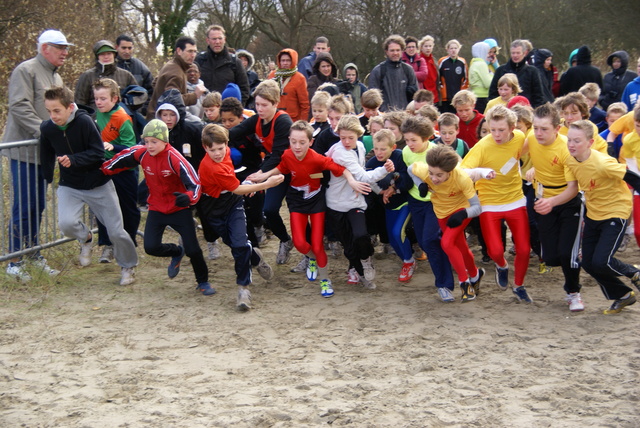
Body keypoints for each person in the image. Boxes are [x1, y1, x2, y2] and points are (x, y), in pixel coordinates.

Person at [250, 120, 366, 296]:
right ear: (289, 140)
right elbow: (282, 167)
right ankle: (311, 258)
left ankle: (325, 280)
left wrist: (351, 180)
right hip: (296, 200)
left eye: (302, 142)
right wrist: (263, 176)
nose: (297, 146)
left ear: (311, 142)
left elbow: (340, 169)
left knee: (318, 245)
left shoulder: (317, 157)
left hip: (316, 201)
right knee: (299, 242)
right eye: (293, 141)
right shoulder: (287, 155)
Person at [103, 119, 214, 295]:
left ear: (165, 141)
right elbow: (120, 159)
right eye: (146, 141)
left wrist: (187, 198)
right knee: (150, 247)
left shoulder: (175, 158)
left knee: (193, 249)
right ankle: (177, 251)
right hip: (156, 207)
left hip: (178, 208)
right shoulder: (142, 153)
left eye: (154, 142)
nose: (149, 145)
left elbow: (195, 184)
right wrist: (102, 170)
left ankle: (203, 282)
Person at [41, 86, 138, 285]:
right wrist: (47, 177)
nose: (53, 116)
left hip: (98, 183)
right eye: (49, 111)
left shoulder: (84, 122)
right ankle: (86, 238)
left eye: (57, 111)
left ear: (69, 107)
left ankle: (128, 266)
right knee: (66, 224)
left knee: (115, 230)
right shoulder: (48, 128)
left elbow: (98, 153)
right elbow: (46, 153)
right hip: (70, 184)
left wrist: (74, 159)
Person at [4, 29, 71, 280]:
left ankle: (33, 255)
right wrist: (44, 131)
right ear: (45, 48)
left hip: (44, 152)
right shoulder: (26, 70)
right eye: (60, 47)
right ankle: (15, 261)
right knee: (24, 205)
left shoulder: (57, 77)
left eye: (66, 48)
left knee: (38, 205)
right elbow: (19, 106)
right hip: (23, 151)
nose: (65, 52)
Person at [198, 124, 281, 310]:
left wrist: (246, 182)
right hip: (213, 208)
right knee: (235, 244)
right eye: (213, 150)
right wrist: (267, 183)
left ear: (227, 144)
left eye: (221, 148)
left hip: (232, 203)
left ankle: (243, 290)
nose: (218, 153)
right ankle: (255, 257)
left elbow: (235, 189)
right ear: (205, 148)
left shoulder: (226, 153)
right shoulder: (211, 167)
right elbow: (237, 188)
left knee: (239, 244)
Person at [565, 120, 640, 314]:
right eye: (569, 140)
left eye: (577, 141)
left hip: (616, 211)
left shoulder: (602, 163)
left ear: (590, 143)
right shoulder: (571, 159)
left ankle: (634, 273)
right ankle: (623, 295)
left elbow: (632, 177)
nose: (571, 145)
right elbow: (572, 188)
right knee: (589, 263)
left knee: (602, 261)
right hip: (593, 213)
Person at [460, 105, 533, 303]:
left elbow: (533, 145)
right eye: (493, 130)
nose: (497, 134)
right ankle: (501, 265)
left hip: (515, 199)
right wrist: (482, 172)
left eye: (501, 130)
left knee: (524, 249)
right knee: (495, 251)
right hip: (489, 202)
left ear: (512, 127)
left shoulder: (519, 137)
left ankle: (518, 286)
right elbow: (462, 171)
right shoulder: (483, 146)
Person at [410, 145, 491, 301]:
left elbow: (478, 207)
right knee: (460, 245)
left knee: (446, 243)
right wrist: (420, 183)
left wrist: (463, 214)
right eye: (431, 173)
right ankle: (475, 274)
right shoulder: (424, 170)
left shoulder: (461, 178)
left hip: (461, 211)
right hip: (441, 213)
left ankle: (464, 283)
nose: (433, 179)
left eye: (439, 175)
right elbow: (409, 169)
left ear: (450, 171)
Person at [228, 80, 295, 264]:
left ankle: (308, 254)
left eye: (264, 105)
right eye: (257, 104)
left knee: (297, 212)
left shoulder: (282, 121)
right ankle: (285, 240)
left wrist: (261, 175)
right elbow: (235, 131)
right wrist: (212, 134)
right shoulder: (257, 119)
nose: (260, 109)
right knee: (270, 210)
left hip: (291, 169)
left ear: (275, 103)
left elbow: (279, 154)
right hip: (274, 170)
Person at [526, 103, 584, 311]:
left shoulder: (566, 149)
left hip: (567, 203)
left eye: (544, 129)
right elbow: (514, 151)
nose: (538, 133)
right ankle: (575, 253)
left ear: (558, 129)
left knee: (567, 253)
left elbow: (572, 189)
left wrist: (550, 202)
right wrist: (531, 168)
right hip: (543, 199)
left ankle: (573, 292)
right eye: (535, 128)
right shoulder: (531, 138)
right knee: (550, 257)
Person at [326, 115, 393, 290]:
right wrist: (384, 170)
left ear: (359, 135)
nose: (347, 142)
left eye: (351, 138)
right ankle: (358, 271)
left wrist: (379, 190)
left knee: (361, 235)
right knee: (348, 246)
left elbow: (363, 176)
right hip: (336, 204)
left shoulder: (361, 147)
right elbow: (363, 176)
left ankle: (366, 260)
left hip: (355, 202)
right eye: (342, 138)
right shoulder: (340, 152)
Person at [400, 115, 455, 300]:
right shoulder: (406, 152)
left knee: (431, 239)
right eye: (406, 139)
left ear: (426, 138)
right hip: (416, 201)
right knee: (425, 243)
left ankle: (444, 284)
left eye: (413, 140)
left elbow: (454, 175)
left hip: (436, 201)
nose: (409, 144)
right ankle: (449, 262)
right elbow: (409, 173)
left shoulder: (437, 153)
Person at [92, 78, 140, 264]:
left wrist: (112, 146)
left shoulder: (122, 117)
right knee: (103, 207)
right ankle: (107, 245)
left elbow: (131, 147)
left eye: (103, 98)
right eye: (96, 98)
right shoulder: (96, 114)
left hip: (124, 170)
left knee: (127, 207)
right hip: (104, 168)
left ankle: (129, 242)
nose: (99, 102)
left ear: (115, 98)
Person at [365, 129, 415, 281]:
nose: (379, 153)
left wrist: (393, 186)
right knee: (392, 239)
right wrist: (382, 192)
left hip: (405, 201)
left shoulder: (399, 156)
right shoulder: (372, 162)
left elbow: (408, 179)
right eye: (376, 149)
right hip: (388, 204)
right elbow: (369, 181)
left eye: (383, 149)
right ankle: (407, 258)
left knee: (397, 232)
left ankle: (408, 262)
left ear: (392, 148)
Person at [147, 36, 206, 119]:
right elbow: (172, 100)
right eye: (189, 51)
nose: (193, 55)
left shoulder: (172, 65)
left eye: (195, 52)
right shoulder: (176, 72)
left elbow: (155, 83)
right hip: (162, 121)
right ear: (179, 51)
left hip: (158, 116)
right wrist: (195, 95)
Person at [75, 40, 137, 111]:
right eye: (102, 54)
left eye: (109, 53)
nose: (106, 57)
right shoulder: (87, 76)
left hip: (121, 118)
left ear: (114, 55)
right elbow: (80, 102)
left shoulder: (126, 75)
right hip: (94, 119)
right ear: (97, 56)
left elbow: (136, 98)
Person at [195, 25, 250, 105]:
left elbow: (244, 88)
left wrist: (237, 109)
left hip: (227, 111)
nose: (217, 42)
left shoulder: (235, 62)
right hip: (204, 110)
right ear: (207, 40)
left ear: (224, 39)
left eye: (220, 38)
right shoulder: (199, 61)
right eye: (214, 39)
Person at [488, 39, 545, 107]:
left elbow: (538, 95)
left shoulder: (533, 71)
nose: (515, 55)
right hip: (503, 111)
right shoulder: (500, 70)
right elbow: (493, 93)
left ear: (524, 53)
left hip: (526, 111)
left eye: (518, 53)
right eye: (513, 53)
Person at [369, 35, 418, 111]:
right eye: (392, 50)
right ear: (386, 52)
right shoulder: (378, 71)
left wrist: (412, 93)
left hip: (405, 115)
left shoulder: (408, 70)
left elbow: (417, 96)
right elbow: (372, 98)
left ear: (402, 51)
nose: (395, 53)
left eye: (398, 50)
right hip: (385, 116)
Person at [115, 34, 154, 114]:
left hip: (135, 112)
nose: (127, 51)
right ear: (116, 47)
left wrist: (144, 108)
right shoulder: (111, 67)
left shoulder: (141, 68)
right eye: (124, 48)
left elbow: (151, 91)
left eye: (129, 48)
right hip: (113, 112)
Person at [268, 48, 310, 121]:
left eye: (288, 60)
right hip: (274, 118)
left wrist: (302, 123)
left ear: (293, 61)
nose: (285, 63)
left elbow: (304, 105)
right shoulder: (272, 76)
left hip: (292, 120)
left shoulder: (299, 78)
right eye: (283, 60)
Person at [437, 39, 468, 113]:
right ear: (447, 49)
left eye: (455, 48)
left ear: (459, 49)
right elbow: (437, 77)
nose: (453, 50)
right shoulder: (442, 61)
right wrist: (441, 88)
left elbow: (466, 79)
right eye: (451, 48)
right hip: (445, 97)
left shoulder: (462, 62)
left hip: (458, 97)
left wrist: (462, 93)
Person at [468, 41, 493, 113]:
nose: (488, 55)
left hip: (475, 95)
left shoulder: (474, 63)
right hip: (482, 96)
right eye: (487, 52)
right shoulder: (481, 64)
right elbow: (488, 83)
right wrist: (491, 74)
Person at [418, 35, 439, 103]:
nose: (428, 48)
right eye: (426, 46)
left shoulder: (434, 60)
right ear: (421, 47)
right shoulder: (419, 60)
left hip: (434, 93)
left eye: (430, 46)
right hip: (423, 92)